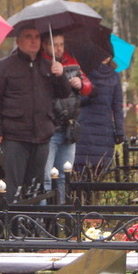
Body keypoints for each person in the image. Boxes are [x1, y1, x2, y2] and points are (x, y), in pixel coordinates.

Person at [0, 25, 72, 203]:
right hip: (15, 136)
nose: (33, 41)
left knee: (36, 185)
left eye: (36, 37)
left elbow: (64, 93)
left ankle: (33, 224)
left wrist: (61, 75)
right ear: (18, 41)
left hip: (42, 135)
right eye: (28, 36)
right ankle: (13, 226)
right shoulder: (5, 67)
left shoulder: (49, 66)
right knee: (15, 186)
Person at [40, 33, 93, 204]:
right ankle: (45, 217)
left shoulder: (72, 62)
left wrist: (81, 83)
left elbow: (88, 88)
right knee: (46, 176)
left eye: (61, 44)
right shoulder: (42, 64)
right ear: (45, 46)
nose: (59, 48)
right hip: (50, 127)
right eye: (54, 45)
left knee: (65, 174)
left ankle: (62, 214)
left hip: (69, 127)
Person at [75, 55, 125, 171]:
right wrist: (89, 94)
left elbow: (117, 106)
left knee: (100, 167)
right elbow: (76, 101)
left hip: (104, 129)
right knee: (82, 167)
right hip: (85, 127)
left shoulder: (115, 76)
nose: (105, 56)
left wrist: (119, 131)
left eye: (107, 53)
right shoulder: (84, 73)